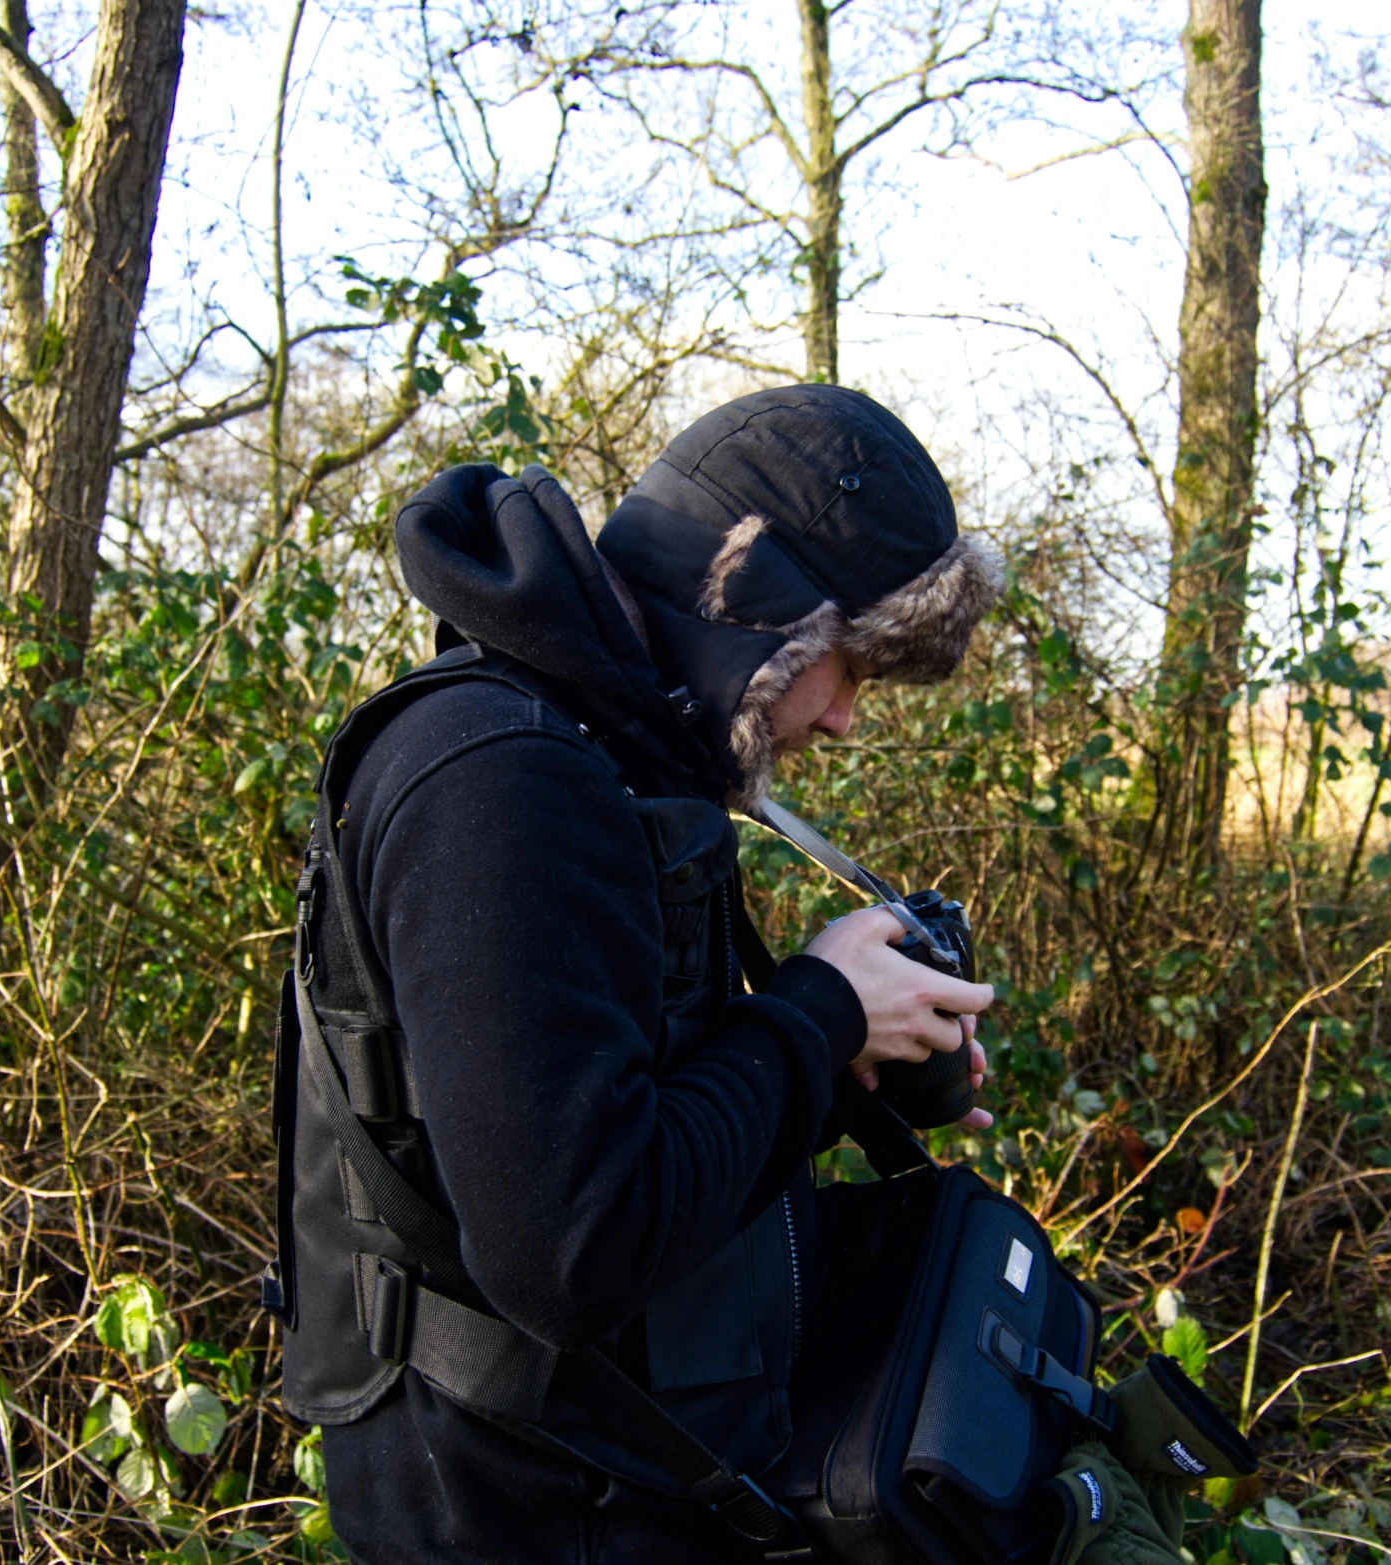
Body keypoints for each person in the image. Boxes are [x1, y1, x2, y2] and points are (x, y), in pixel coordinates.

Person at [273, 385, 1005, 1561]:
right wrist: (814, 1016)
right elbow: (570, 1248)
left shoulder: (611, 753)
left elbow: (639, 1113)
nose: (845, 721)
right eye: (846, 667)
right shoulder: (502, 781)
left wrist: (843, 1057)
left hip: (634, 1465)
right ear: (757, 613)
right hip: (521, 1504)